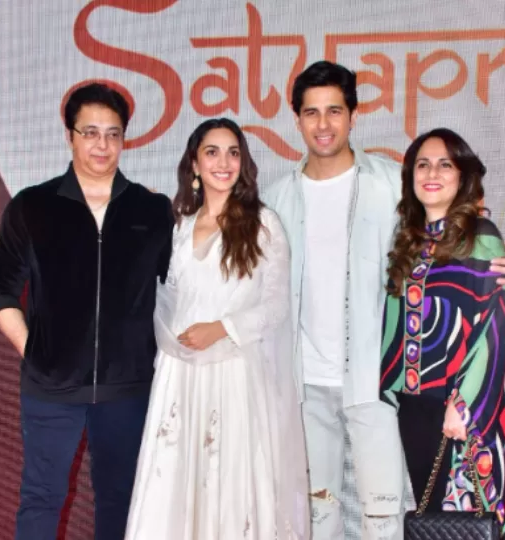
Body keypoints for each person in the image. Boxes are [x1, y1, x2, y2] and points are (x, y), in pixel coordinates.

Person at [261, 60, 505, 540]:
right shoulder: (276, 198)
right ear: (296, 119)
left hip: (376, 381)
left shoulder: (391, 186)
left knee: (385, 515)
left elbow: (456, 248)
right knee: (316, 515)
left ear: (353, 115)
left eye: (334, 110)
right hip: (304, 383)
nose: (323, 124)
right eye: (311, 112)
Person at [0, 83, 174, 540]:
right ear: (69, 135)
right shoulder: (33, 206)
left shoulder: (152, 209)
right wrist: (35, 351)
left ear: (124, 138)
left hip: (127, 389)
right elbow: (0, 289)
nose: (101, 145)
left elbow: (176, 289)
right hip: (50, 388)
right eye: (90, 132)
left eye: (112, 134)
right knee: (41, 498)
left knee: (120, 500)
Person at [124, 118, 310, 540]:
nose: (223, 162)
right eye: (212, 152)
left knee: (231, 482)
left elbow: (276, 305)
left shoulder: (263, 224)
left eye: (233, 153)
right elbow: (169, 295)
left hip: (235, 374)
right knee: (175, 480)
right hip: (180, 375)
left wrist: (222, 328)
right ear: (194, 163)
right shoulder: (180, 226)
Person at [380, 128, 505, 539]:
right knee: (436, 524)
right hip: (416, 405)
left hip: (467, 406)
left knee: (472, 519)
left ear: (462, 176)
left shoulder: (481, 237)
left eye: (445, 164)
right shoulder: (409, 240)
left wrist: (464, 404)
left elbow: (496, 323)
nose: (432, 173)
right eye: (422, 164)